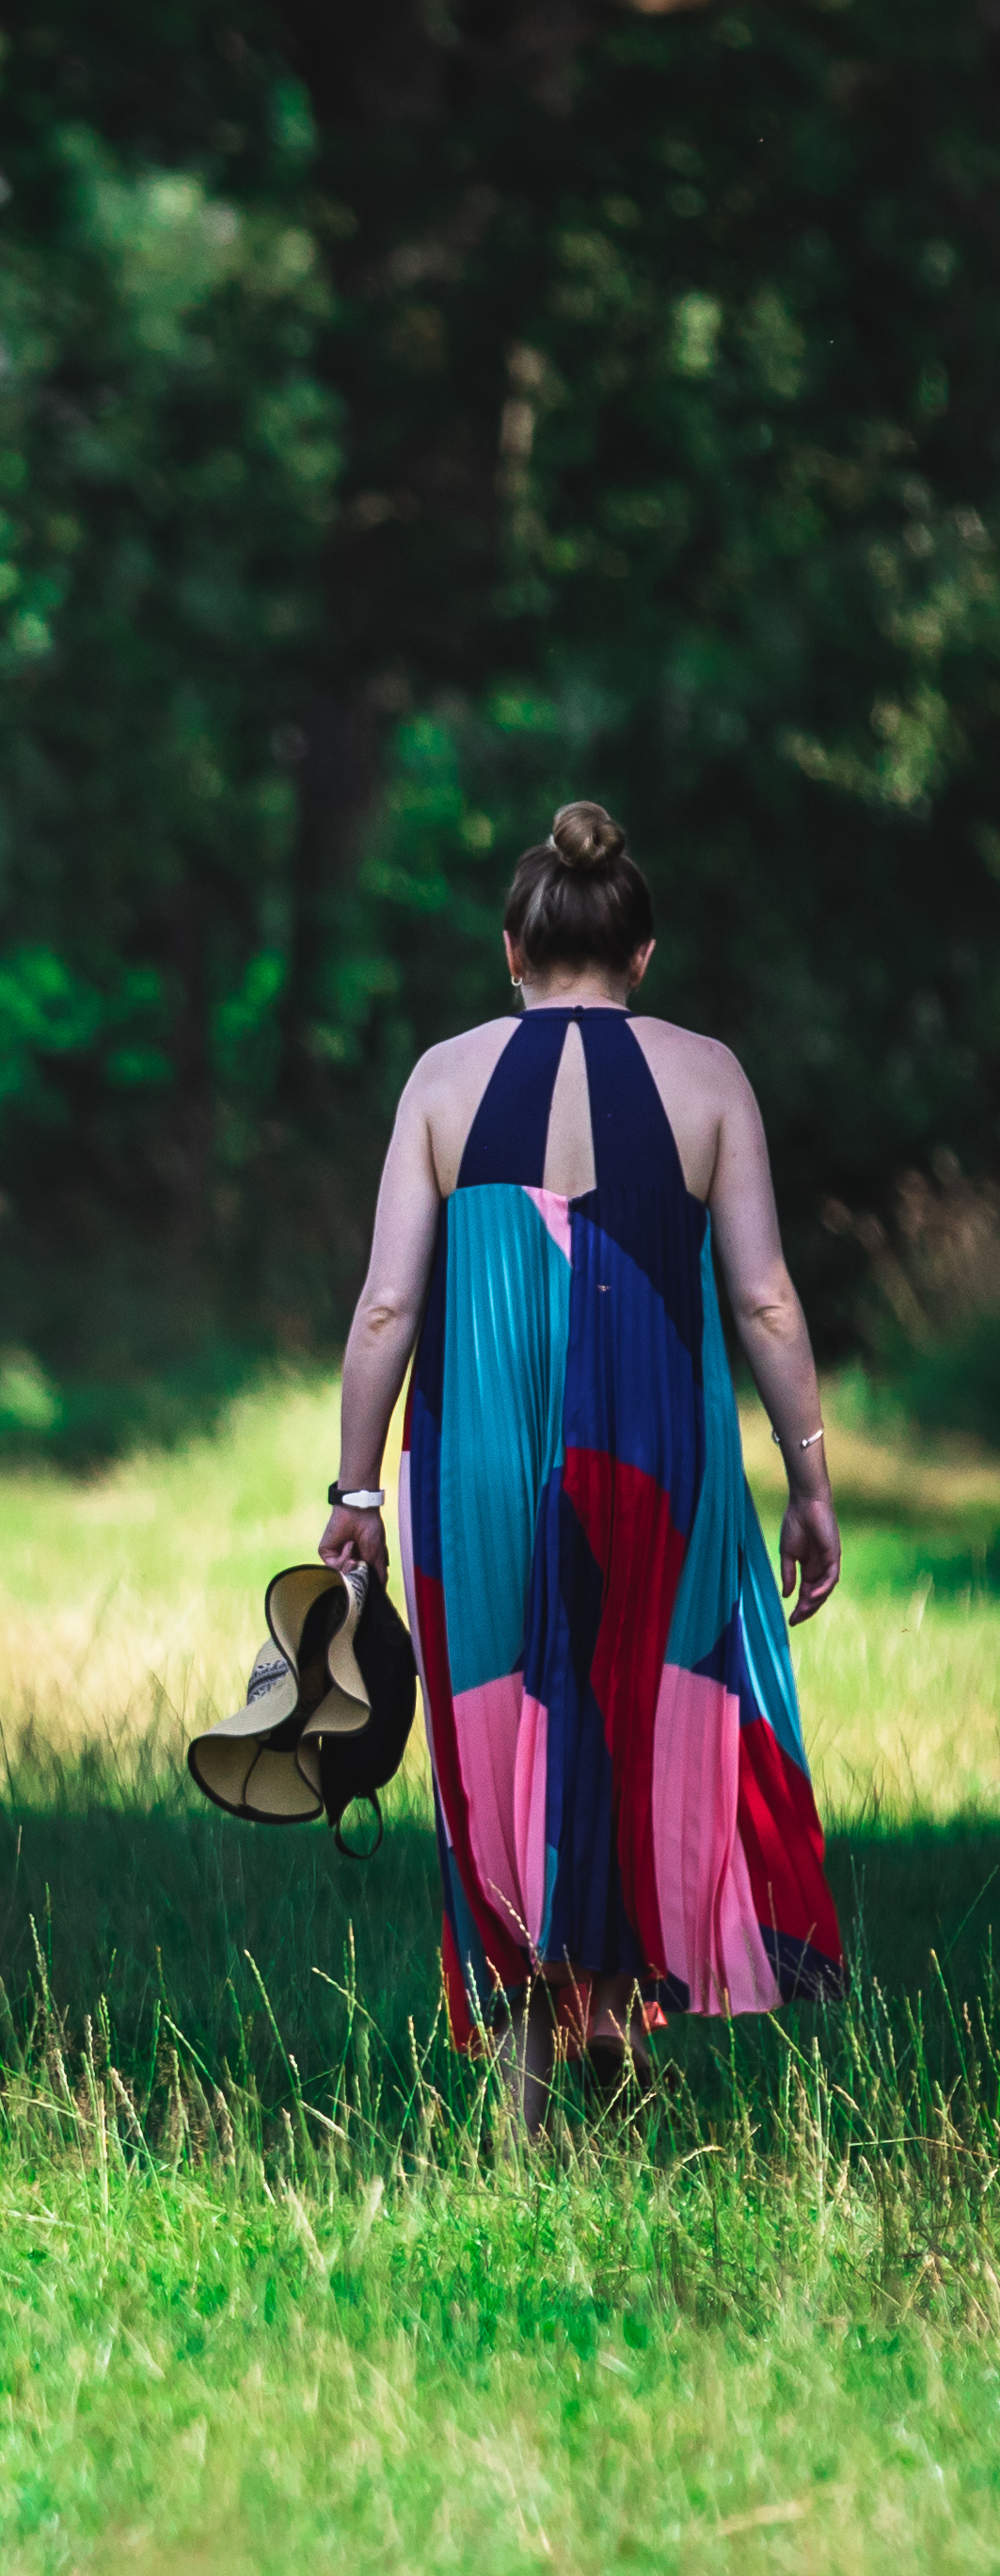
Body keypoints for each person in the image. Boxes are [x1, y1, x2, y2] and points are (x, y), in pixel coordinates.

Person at [320, 802, 844, 2133]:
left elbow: (385, 1306)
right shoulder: (707, 1076)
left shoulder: (442, 1080)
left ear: (513, 948)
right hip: (659, 1446)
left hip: (480, 1454)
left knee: (503, 1729)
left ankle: (527, 2095)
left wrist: (356, 1491)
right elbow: (766, 1298)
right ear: (641, 953)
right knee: (641, 1708)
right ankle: (609, 2006)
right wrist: (810, 1480)